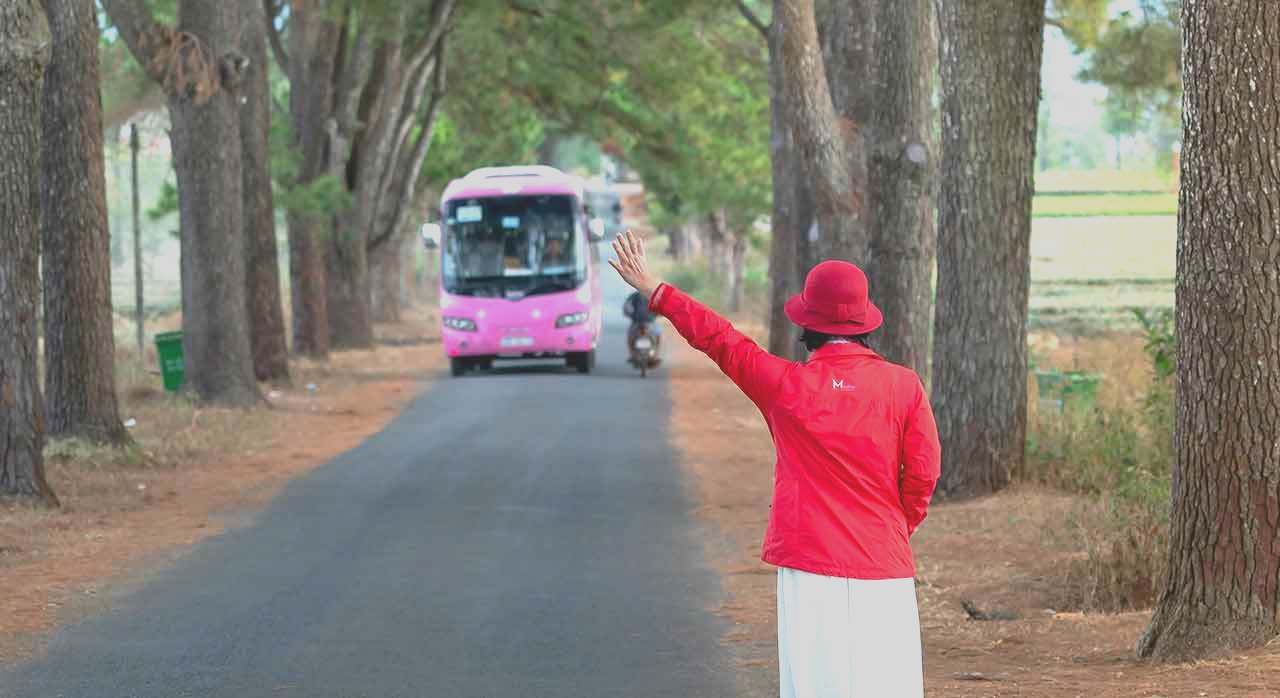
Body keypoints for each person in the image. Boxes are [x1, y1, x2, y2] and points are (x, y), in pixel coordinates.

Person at [609, 230, 941, 698]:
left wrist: (655, 289)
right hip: (883, 563)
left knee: (814, 685)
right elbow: (924, 473)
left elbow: (721, 341)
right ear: (865, 324)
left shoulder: (785, 386)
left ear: (808, 325)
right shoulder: (904, 386)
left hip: (809, 562)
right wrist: (895, 526)